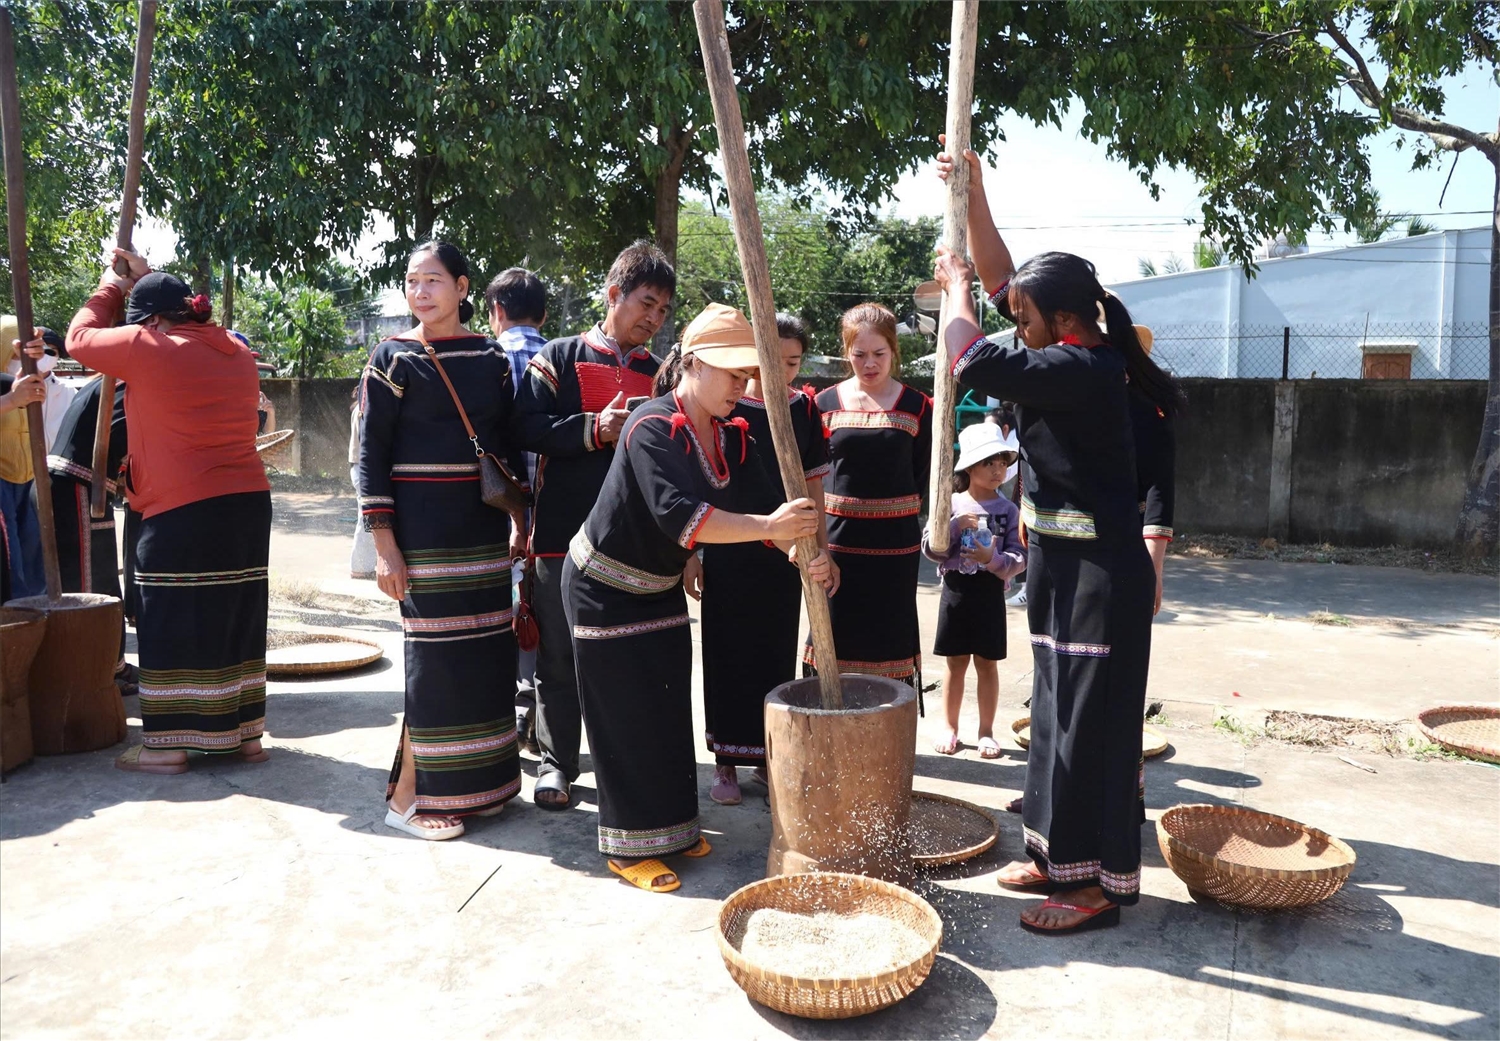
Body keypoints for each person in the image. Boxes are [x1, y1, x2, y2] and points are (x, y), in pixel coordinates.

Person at [934, 141, 1185, 934]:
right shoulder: (1057, 346)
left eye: (1026, 316)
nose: (1017, 322)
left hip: (1099, 579)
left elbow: (968, 356)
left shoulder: (1080, 369)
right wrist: (973, 190)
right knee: (1051, 714)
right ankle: (1053, 856)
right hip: (1057, 570)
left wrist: (955, 292)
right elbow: (1009, 273)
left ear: (1065, 320)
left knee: (1092, 725)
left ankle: (1097, 886)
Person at [564, 303, 833, 893]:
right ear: (692, 364)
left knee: (663, 709)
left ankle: (673, 830)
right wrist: (773, 528)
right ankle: (629, 844)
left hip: (655, 586)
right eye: (733, 374)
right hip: (604, 585)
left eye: (747, 375)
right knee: (625, 713)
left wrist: (800, 552)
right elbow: (685, 518)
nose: (744, 386)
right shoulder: (651, 427)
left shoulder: (729, 433)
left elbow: (756, 508)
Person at [67, 251, 272, 775]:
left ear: (150, 320)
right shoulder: (234, 349)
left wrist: (109, 288)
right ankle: (246, 737)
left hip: (181, 508)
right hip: (247, 504)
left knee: (170, 621)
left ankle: (168, 747)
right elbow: (176, 307)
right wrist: (148, 278)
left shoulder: (148, 344)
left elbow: (79, 338)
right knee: (234, 616)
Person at [359, 241, 525, 840]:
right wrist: (385, 545)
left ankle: (481, 787)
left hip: (480, 532)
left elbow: (506, 447)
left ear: (461, 288)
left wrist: (518, 523)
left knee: (482, 657)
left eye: (432, 281)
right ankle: (410, 801)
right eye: (411, 282)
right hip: (421, 537)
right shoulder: (391, 357)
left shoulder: (491, 358)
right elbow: (370, 454)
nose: (420, 292)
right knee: (432, 660)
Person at [514, 241, 673, 811]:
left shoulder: (662, 376)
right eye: (645, 304)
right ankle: (557, 765)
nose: (652, 320)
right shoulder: (556, 356)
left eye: (661, 312)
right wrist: (592, 429)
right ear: (614, 295)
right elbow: (524, 429)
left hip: (635, 546)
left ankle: (615, 766)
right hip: (560, 537)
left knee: (622, 660)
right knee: (559, 658)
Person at [697, 312, 834, 806]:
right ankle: (725, 761)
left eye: (793, 362)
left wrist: (820, 546)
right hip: (728, 546)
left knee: (775, 652)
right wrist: (692, 554)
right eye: (770, 361)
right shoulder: (722, 404)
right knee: (726, 649)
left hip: (788, 552)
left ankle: (766, 759)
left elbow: (815, 480)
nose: (781, 372)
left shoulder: (803, 408)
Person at [803, 303, 932, 691]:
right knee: (834, 635)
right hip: (838, 545)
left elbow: (923, 476)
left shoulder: (918, 406)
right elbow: (812, 475)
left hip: (896, 549)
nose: (870, 363)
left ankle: (887, 725)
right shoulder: (821, 405)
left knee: (890, 633)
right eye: (860, 355)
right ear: (847, 353)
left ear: (894, 351)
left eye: (879, 354)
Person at [26, 366, 136, 693]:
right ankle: (91, 673)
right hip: (75, 487)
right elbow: (126, 443)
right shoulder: (129, 384)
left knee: (99, 582)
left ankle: (109, 667)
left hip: (78, 487)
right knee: (89, 589)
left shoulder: (116, 380)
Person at [922, 422, 1026, 759]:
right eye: (989, 463)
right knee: (955, 663)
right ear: (969, 467)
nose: (998, 470)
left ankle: (986, 732)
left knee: (987, 663)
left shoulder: (1009, 510)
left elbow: (1020, 557)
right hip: (956, 591)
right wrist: (952, 528)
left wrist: (991, 558)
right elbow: (930, 549)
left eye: (1002, 463)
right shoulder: (949, 503)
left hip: (989, 593)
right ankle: (949, 727)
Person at [486, 267, 548, 753]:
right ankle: (538, 716)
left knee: (505, 610)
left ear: (497, 312)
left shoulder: (490, 359)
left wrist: (514, 517)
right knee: (540, 612)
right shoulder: (561, 357)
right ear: (543, 314)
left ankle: (511, 715)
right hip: (555, 513)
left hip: (501, 508)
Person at [0, 317, 46, 599]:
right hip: (1, 482)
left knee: (31, 563)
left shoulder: (14, 383)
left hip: (26, 481)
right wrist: (10, 401)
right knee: (10, 565)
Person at [348, 385, 376, 580]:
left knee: (368, 515)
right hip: (363, 467)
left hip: (360, 466)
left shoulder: (362, 407)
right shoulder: (364, 409)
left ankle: (363, 565)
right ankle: (360, 567)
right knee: (368, 516)